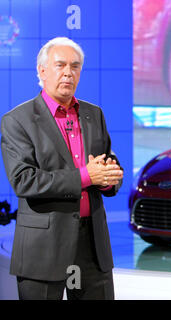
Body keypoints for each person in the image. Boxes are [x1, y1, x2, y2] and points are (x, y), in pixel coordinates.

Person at [0, 37, 124, 300]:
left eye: (75, 66)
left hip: (91, 245)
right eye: (60, 65)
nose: (69, 72)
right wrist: (86, 176)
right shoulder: (17, 121)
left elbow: (107, 165)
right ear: (42, 70)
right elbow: (24, 181)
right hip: (44, 248)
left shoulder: (94, 114)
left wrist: (108, 179)